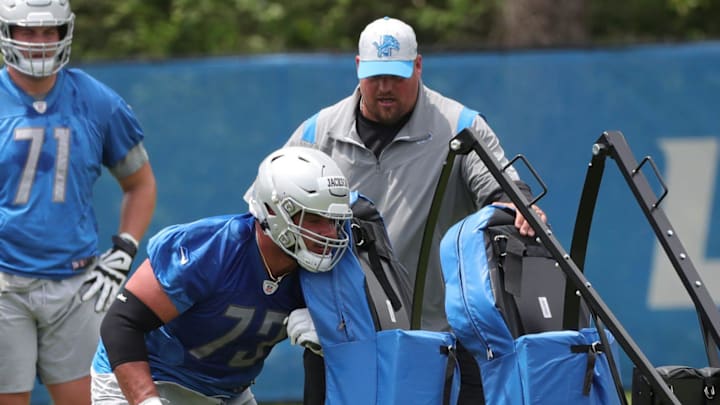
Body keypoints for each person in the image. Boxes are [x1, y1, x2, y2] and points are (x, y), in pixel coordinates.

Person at [274, 16, 547, 404]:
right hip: (341, 337)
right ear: (357, 68)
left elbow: (502, 193)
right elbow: (271, 219)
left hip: (443, 339)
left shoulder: (460, 125)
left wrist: (518, 205)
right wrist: (294, 305)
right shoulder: (318, 133)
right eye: (374, 75)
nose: (385, 87)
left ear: (418, 66)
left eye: (396, 75)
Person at [90, 146, 354, 405]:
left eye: (333, 221)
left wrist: (329, 332)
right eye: (314, 219)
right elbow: (122, 323)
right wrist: (146, 401)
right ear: (273, 212)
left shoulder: (327, 271)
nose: (329, 234)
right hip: (150, 378)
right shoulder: (212, 250)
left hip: (225, 393)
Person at [0, 0, 157, 404]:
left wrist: (124, 249)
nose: (38, 43)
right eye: (28, 32)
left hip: (76, 285)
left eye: (48, 31)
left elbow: (140, 184)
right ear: (8, 32)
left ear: (64, 32)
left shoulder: (97, 101)